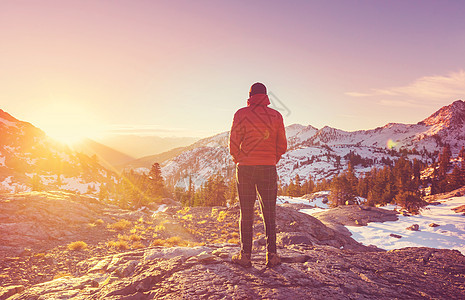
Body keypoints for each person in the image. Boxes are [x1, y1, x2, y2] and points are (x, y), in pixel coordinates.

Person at [229, 82, 287, 268]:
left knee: (246, 212)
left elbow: (233, 141)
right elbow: (282, 145)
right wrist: (272, 159)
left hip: (245, 169)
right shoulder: (276, 115)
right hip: (268, 168)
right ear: (266, 96)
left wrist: (239, 158)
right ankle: (272, 255)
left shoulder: (241, 114)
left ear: (250, 95)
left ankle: (245, 255)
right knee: (269, 213)